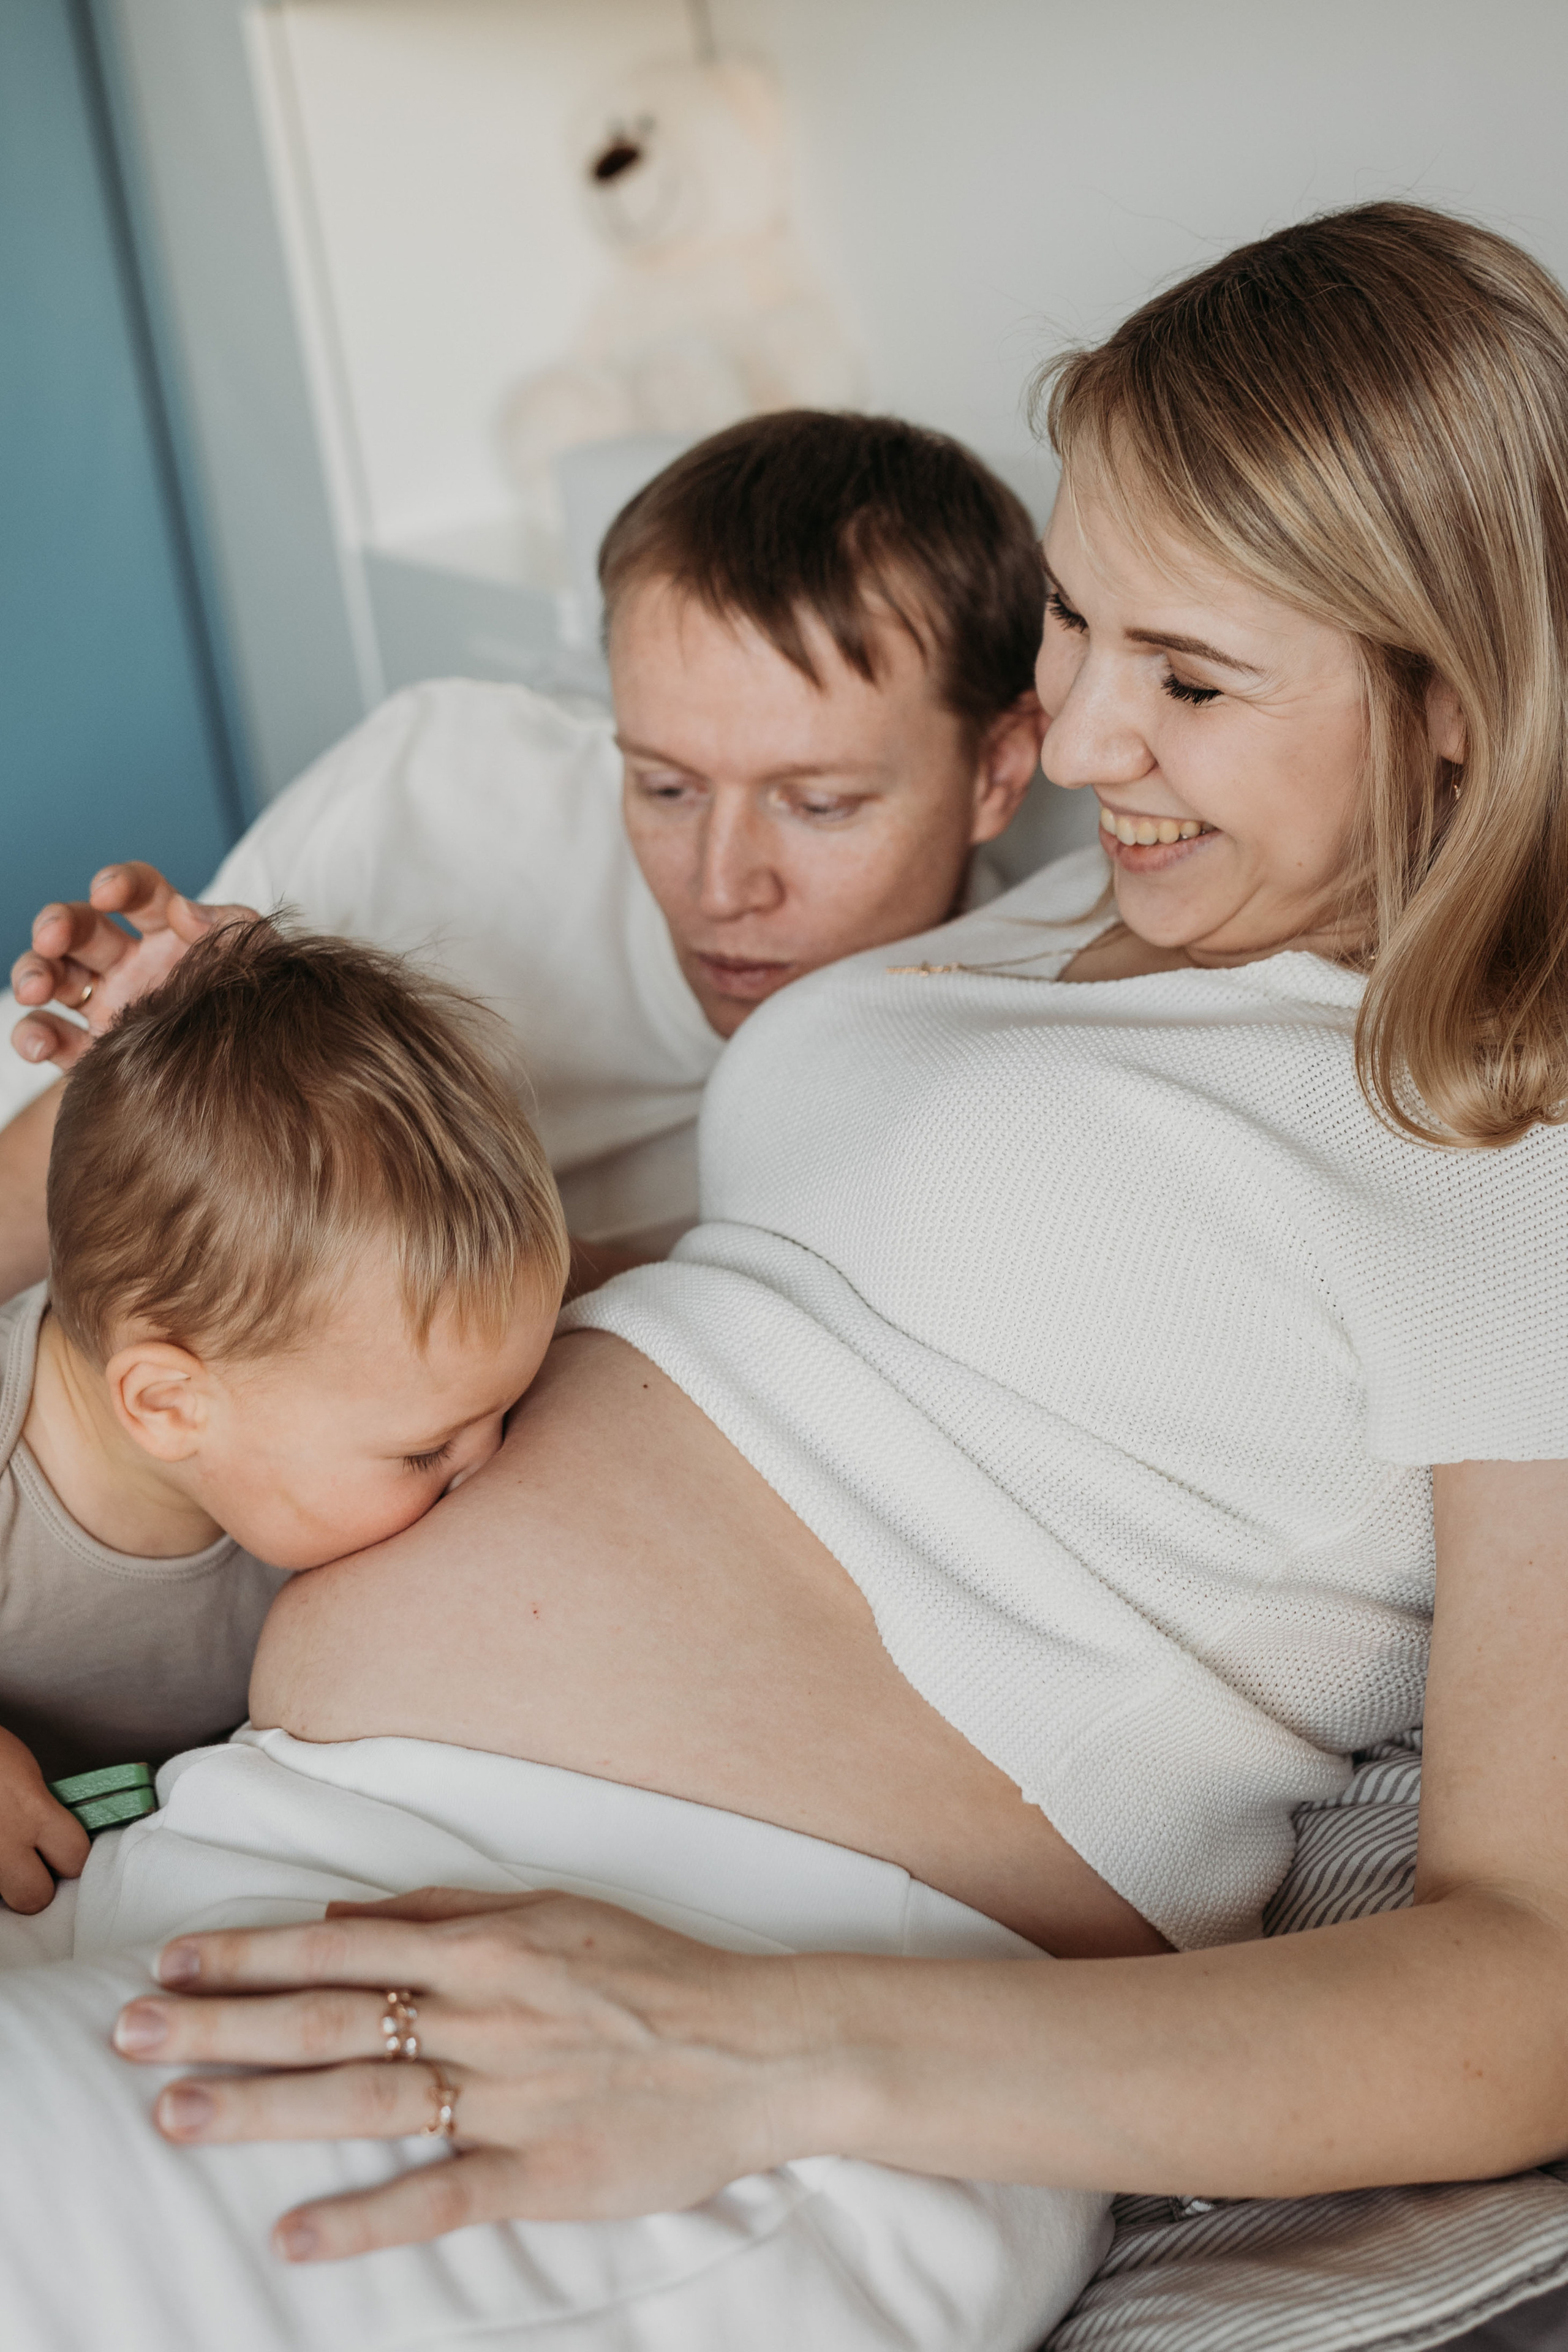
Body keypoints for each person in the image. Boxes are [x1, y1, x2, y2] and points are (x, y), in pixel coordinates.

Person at [0, 199, 1566, 2351]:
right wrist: (221, 1098)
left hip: (650, 2040)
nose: (1094, 744)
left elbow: (1528, 1981)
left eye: (1191, 681)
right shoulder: (1062, 918)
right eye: (1083, 636)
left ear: (1462, 704)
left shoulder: (1515, 1152)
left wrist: (777, 2048)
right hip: (245, 1851)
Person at [0, 411, 1050, 1304]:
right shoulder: (443, 799)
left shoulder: (1002, 1045)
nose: (721, 886)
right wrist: (164, 1075)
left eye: (819, 805)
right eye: (666, 786)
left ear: (1000, 771)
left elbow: (778, 1331)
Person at [0, 920, 565, 1913]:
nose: (490, 1459)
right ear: (172, 1406)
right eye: (427, 1449)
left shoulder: (323, 1384)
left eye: (502, 1408)